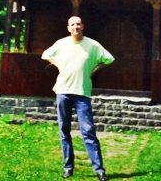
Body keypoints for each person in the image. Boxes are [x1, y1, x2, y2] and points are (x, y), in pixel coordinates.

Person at [42, 15, 114, 180]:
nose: (75, 27)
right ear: (68, 28)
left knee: (88, 131)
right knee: (64, 130)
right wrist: (59, 65)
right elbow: (46, 55)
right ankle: (68, 167)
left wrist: (93, 70)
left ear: (83, 26)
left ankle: (99, 170)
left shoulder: (92, 45)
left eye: (78, 24)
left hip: (82, 92)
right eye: (72, 24)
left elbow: (109, 59)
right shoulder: (61, 43)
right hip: (63, 91)